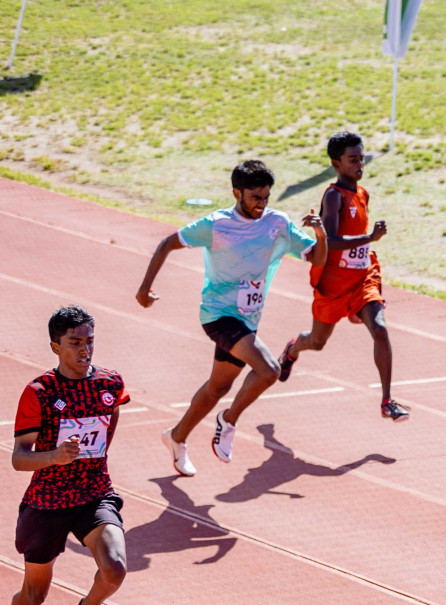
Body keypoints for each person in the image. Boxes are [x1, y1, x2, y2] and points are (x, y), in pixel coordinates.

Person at [136, 159, 327, 472]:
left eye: (266, 197)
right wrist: (145, 287)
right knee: (269, 370)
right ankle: (228, 420)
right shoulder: (216, 224)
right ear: (237, 192)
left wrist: (321, 234)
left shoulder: (277, 222)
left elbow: (318, 258)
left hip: (248, 317)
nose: (261, 204)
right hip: (218, 315)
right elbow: (167, 243)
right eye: (255, 198)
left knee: (218, 387)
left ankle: (176, 436)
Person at [1, 307, 131, 605]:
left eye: (89, 341)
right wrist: (56, 457)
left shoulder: (109, 384)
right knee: (35, 595)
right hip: (47, 503)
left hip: (93, 494)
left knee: (115, 569)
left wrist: (95, 460)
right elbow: (19, 458)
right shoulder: (39, 393)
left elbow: (110, 420)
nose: (84, 349)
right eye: (75, 342)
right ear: (55, 346)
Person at [277, 131, 409, 422]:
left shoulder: (362, 193)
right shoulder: (334, 196)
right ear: (336, 163)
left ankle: (387, 400)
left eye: (362, 158)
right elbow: (331, 240)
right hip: (333, 285)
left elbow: (355, 238)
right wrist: (370, 238)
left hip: (362, 278)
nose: (359, 164)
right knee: (316, 341)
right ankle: (292, 350)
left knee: (380, 329)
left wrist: (366, 243)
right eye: (352, 160)